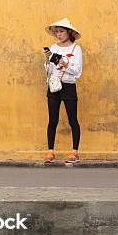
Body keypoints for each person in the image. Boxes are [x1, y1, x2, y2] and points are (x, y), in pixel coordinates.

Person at [43, 18, 83, 164]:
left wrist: (63, 62)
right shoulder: (53, 47)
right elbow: (48, 70)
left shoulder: (76, 49)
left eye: (61, 31)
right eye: (57, 32)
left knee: (73, 119)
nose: (58, 34)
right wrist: (48, 61)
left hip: (68, 86)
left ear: (69, 32)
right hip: (54, 86)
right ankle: (50, 151)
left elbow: (77, 72)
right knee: (52, 119)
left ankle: (74, 151)